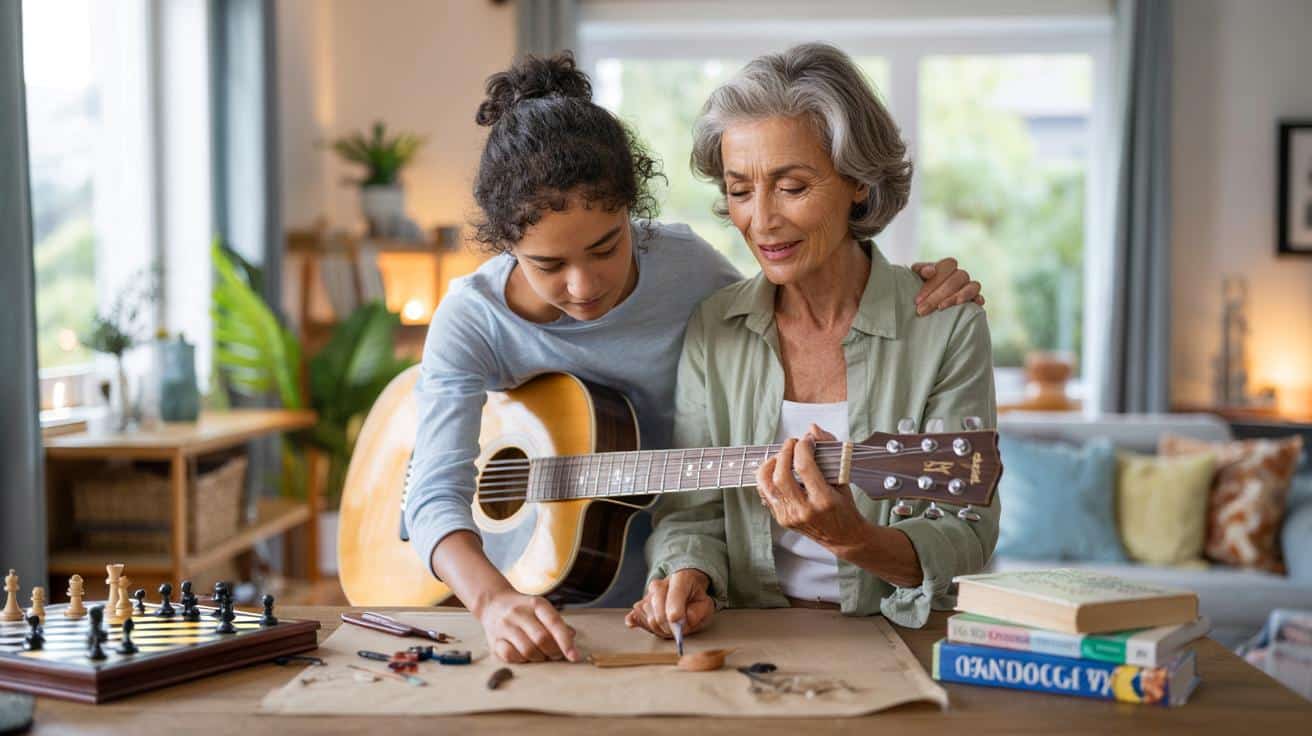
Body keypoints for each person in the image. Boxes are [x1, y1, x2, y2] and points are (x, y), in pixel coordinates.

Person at [406, 52, 987, 665]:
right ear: (505, 246)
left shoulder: (697, 281)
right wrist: (494, 599)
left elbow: (799, 291)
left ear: (633, 214)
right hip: (559, 595)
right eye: (547, 264)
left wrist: (919, 291)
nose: (583, 286)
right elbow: (433, 489)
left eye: (606, 247)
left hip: (670, 591)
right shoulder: (474, 317)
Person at [627, 43, 1001, 640]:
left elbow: (965, 536)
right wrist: (689, 574)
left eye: (792, 187)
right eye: (740, 190)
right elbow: (692, 514)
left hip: (897, 633)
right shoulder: (714, 326)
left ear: (860, 182)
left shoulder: (944, 324)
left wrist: (854, 539)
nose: (761, 220)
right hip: (750, 633)